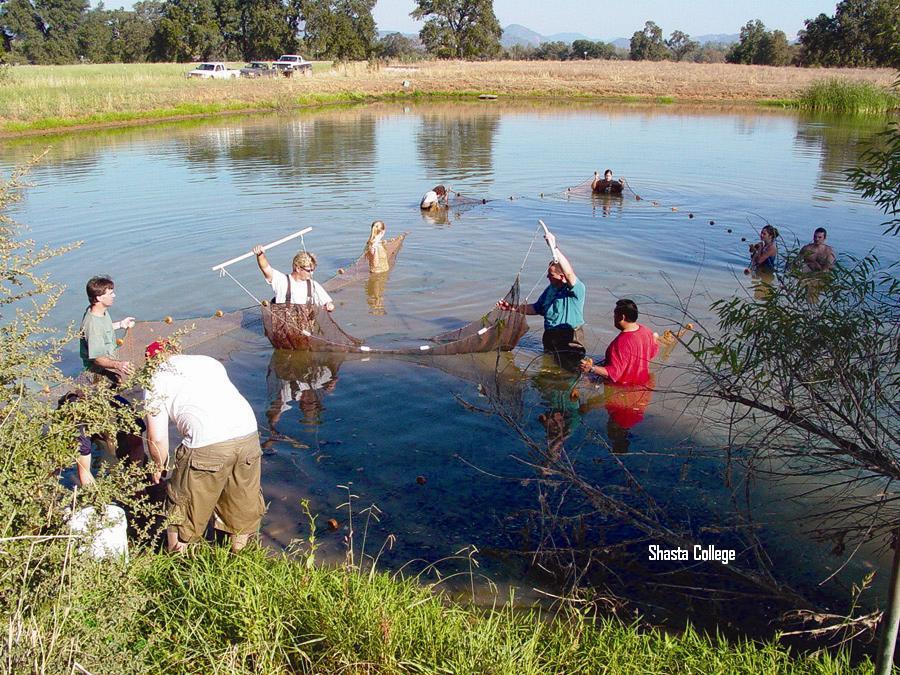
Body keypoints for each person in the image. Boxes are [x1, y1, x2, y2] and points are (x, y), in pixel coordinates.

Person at [143, 340, 265, 553]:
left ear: (150, 362)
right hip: (248, 434)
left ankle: (178, 564)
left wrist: (158, 465)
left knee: (183, 511)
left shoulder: (155, 378)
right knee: (240, 508)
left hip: (206, 443)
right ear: (177, 352)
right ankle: (238, 562)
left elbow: (157, 438)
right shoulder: (208, 362)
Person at [497, 232, 586, 368]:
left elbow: (569, 273)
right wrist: (512, 307)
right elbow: (537, 308)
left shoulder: (576, 290)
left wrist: (554, 247)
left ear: (562, 277)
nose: (547, 277)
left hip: (570, 336)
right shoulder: (550, 289)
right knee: (549, 368)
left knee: (570, 370)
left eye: (551, 275)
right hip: (550, 335)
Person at [578, 299, 659, 386]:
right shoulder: (646, 331)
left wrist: (591, 369)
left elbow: (614, 373)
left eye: (615, 315)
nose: (614, 318)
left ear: (622, 317)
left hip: (623, 388)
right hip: (643, 385)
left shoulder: (620, 343)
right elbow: (652, 353)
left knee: (583, 379)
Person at [80, 276, 136, 383]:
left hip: (109, 356)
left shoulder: (99, 311)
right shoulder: (93, 326)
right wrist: (118, 365)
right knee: (118, 381)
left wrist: (120, 324)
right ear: (99, 298)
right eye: (110, 294)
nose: (114, 295)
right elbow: (97, 359)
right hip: (98, 369)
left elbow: (104, 329)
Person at [252, 246, 335, 311]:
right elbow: (265, 268)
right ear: (298, 269)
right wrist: (260, 255)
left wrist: (329, 305)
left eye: (312, 270)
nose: (312, 273)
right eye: (309, 270)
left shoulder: (313, 285)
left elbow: (328, 302)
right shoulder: (281, 280)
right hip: (282, 329)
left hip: (306, 328)